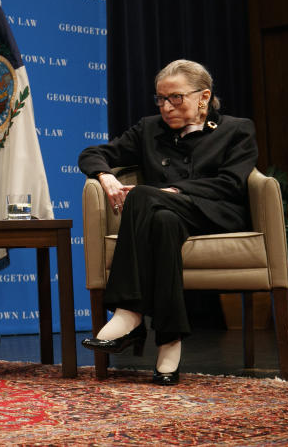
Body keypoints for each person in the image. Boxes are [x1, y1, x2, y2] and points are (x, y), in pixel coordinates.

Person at [78, 59, 257, 385]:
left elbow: (231, 183)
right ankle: (169, 343)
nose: (166, 107)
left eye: (176, 97)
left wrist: (173, 190)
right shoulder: (150, 129)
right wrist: (105, 177)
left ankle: (128, 314)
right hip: (169, 216)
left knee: (145, 197)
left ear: (204, 96)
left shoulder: (236, 129)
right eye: (160, 99)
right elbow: (92, 153)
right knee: (161, 221)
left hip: (216, 215)